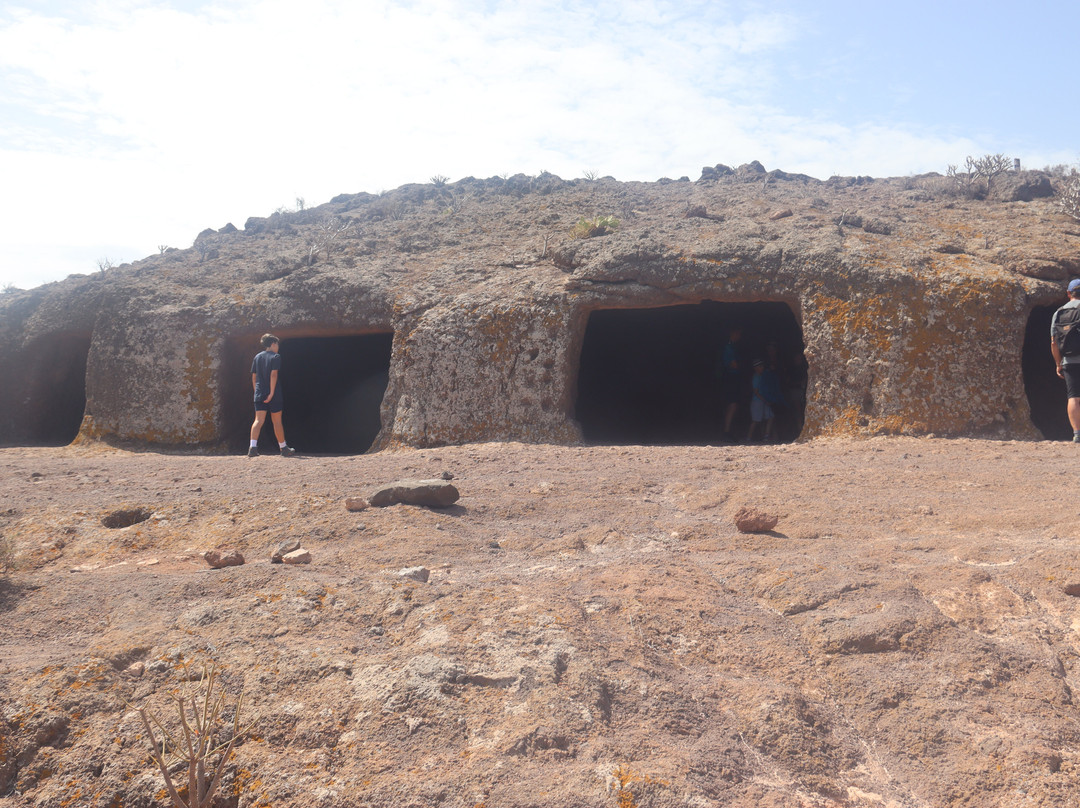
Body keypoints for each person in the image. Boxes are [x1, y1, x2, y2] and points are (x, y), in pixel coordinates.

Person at [249, 334, 297, 457]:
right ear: (273, 344)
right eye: (277, 345)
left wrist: (257, 392)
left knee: (258, 420)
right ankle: (283, 448)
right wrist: (271, 393)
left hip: (259, 393)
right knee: (277, 421)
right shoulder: (275, 357)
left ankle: (252, 448)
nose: (278, 347)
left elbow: (254, 377)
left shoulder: (257, 357)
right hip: (273, 393)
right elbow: (273, 375)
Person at [1051, 279, 1080, 442]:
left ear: (1069, 294)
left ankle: (1077, 434)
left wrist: (1058, 363)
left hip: (1069, 360)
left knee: (1074, 397)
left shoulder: (1059, 313)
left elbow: (1054, 342)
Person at [718, 327, 749, 441]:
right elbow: (733, 364)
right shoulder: (729, 348)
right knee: (733, 404)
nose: (739, 337)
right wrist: (744, 366)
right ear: (732, 334)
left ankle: (729, 430)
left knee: (734, 404)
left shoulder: (732, 347)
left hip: (732, 377)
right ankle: (727, 431)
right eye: (737, 334)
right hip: (731, 377)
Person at [747, 358, 783, 442]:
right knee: (756, 420)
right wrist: (765, 400)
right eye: (760, 366)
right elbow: (756, 392)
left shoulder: (763, 375)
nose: (762, 368)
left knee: (770, 416)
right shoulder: (756, 377)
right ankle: (748, 437)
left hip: (764, 400)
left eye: (762, 366)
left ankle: (766, 435)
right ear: (756, 368)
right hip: (758, 401)